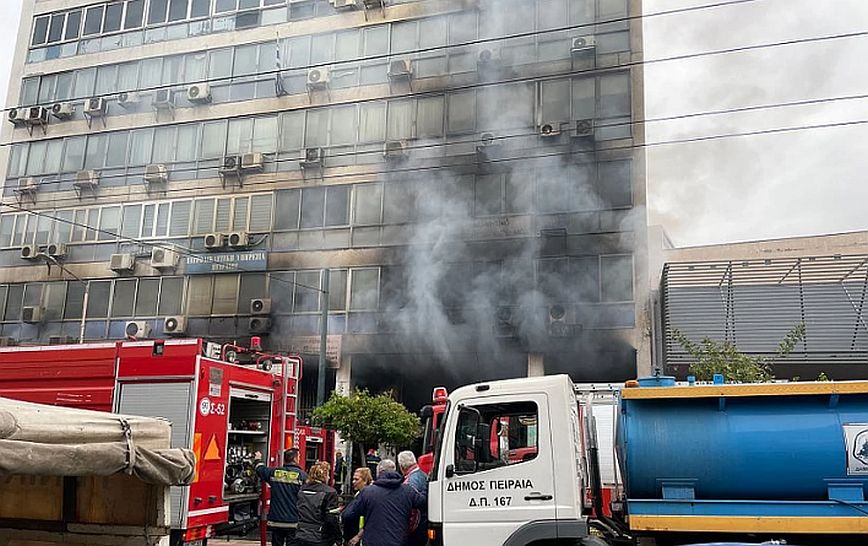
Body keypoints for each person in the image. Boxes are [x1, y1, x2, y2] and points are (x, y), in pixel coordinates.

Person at [341, 460, 426, 546]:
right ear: (395, 470)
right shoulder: (408, 491)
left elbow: (348, 515)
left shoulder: (368, 492)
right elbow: (423, 502)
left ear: (379, 473)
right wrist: (428, 484)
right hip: (398, 541)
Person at [255, 448, 308, 546]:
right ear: (295, 459)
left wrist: (258, 459)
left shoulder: (274, 473)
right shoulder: (302, 476)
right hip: (293, 521)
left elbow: (260, 470)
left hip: (276, 521)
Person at [295, 462, 340, 546]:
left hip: (300, 534)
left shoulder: (302, 489)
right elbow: (331, 518)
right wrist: (338, 538)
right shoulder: (330, 492)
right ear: (325, 475)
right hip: (320, 536)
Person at [398, 451, 428, 546]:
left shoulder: (410, 482)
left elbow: (411, 510)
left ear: (401, 466)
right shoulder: (423, 475)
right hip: (424, 523)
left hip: (416, 529)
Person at [344, 468, 373, 546]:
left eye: (356, 479)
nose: (353, 482)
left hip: (358, 539)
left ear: (365, 481)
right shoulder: (359, 493)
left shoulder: (368, 497)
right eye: (353, 479)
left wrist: (358, 536)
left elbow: (370, 519)